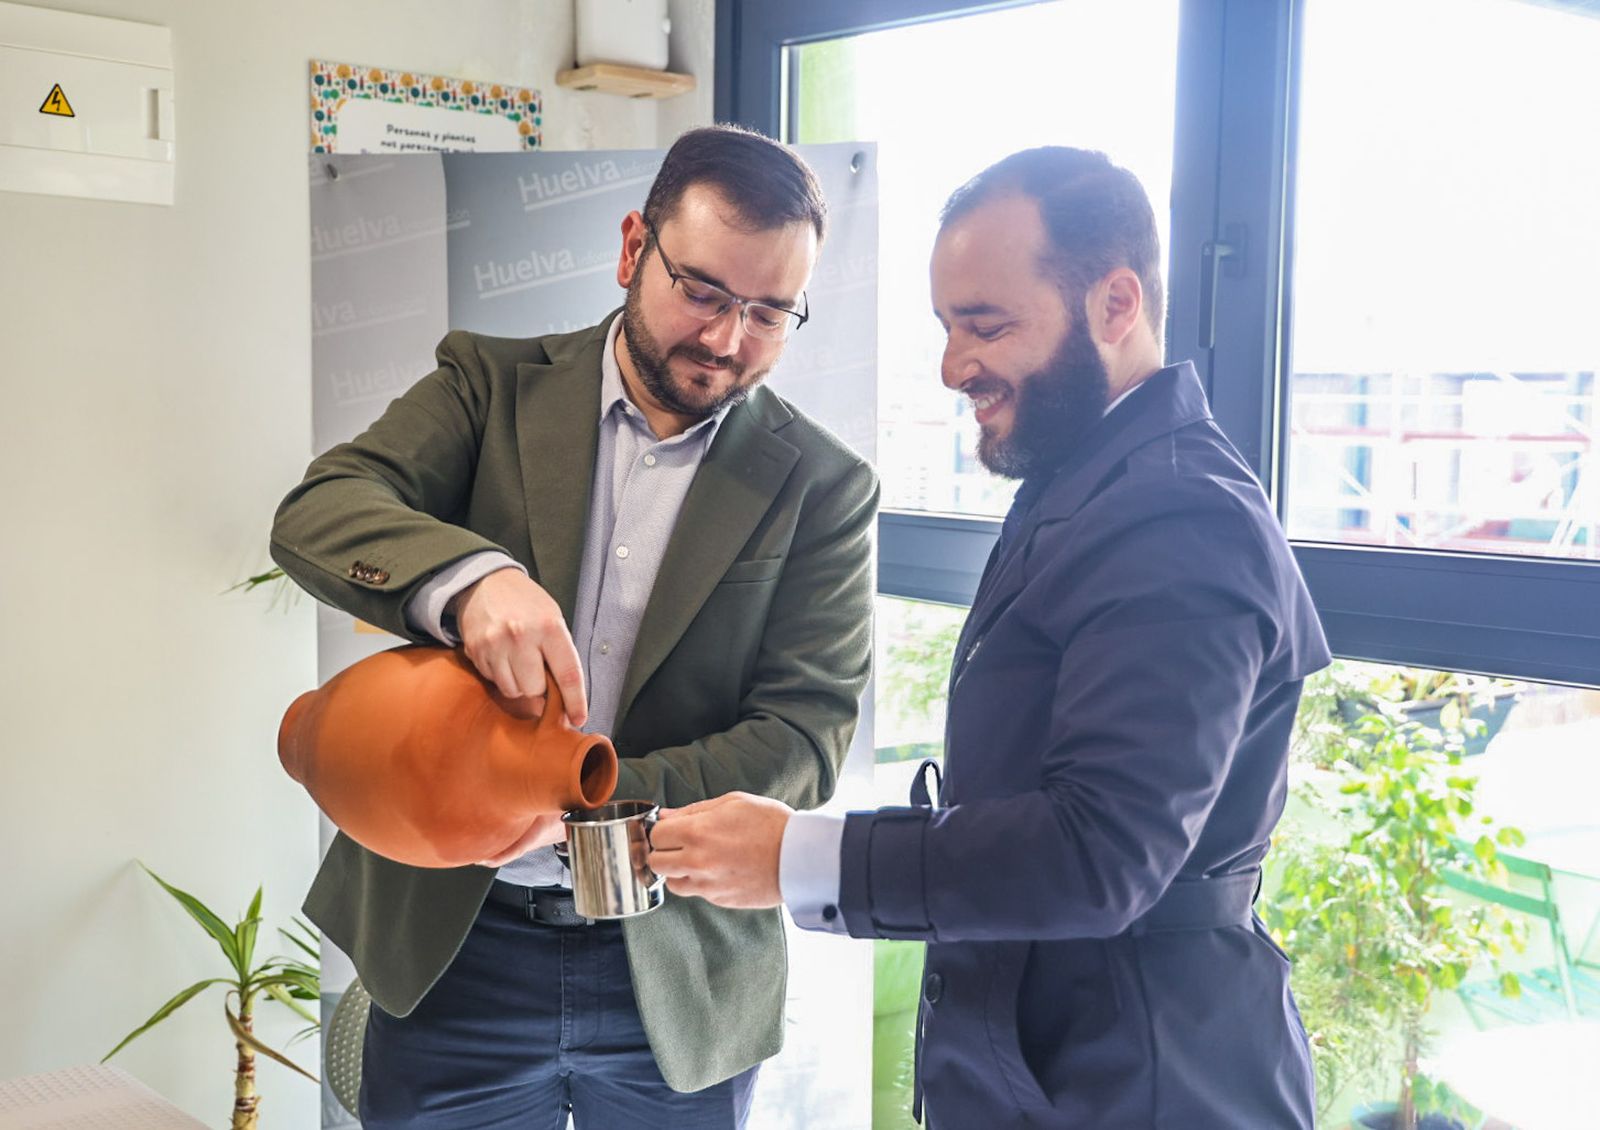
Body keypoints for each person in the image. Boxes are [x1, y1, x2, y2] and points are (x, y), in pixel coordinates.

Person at [649, 146, 1331, 1128]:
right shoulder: (1087, 473)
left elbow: (1098, 852)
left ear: (1114, 302)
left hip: (1144, 1081)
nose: (952, 363)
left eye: (987, 324)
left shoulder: (1180, 515)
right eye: (944, 325)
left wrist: (800, 854)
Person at [270, 125, 876, 1129]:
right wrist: (469, 579)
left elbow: (804, 740)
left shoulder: (824, 486)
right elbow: (319, 510)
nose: (729, 340)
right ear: (634, 245)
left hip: (680, 978)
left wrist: (575, 801)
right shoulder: (489, 384)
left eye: (771, 312)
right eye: (705, 292)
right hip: (457, 953)